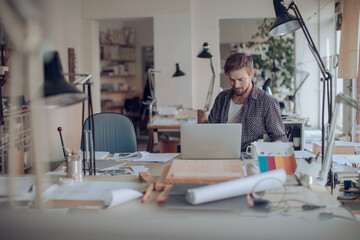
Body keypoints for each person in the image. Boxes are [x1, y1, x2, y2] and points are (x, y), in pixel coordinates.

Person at [208, 52, 288, 151]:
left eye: (241, 79)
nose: (236, 85)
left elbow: (281, 138)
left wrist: (263, 152)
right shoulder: (222, 98)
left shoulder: (266, 102)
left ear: (251, 74)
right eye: (232, 80)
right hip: (220, 154)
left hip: (249, 158)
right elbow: (209, 130)